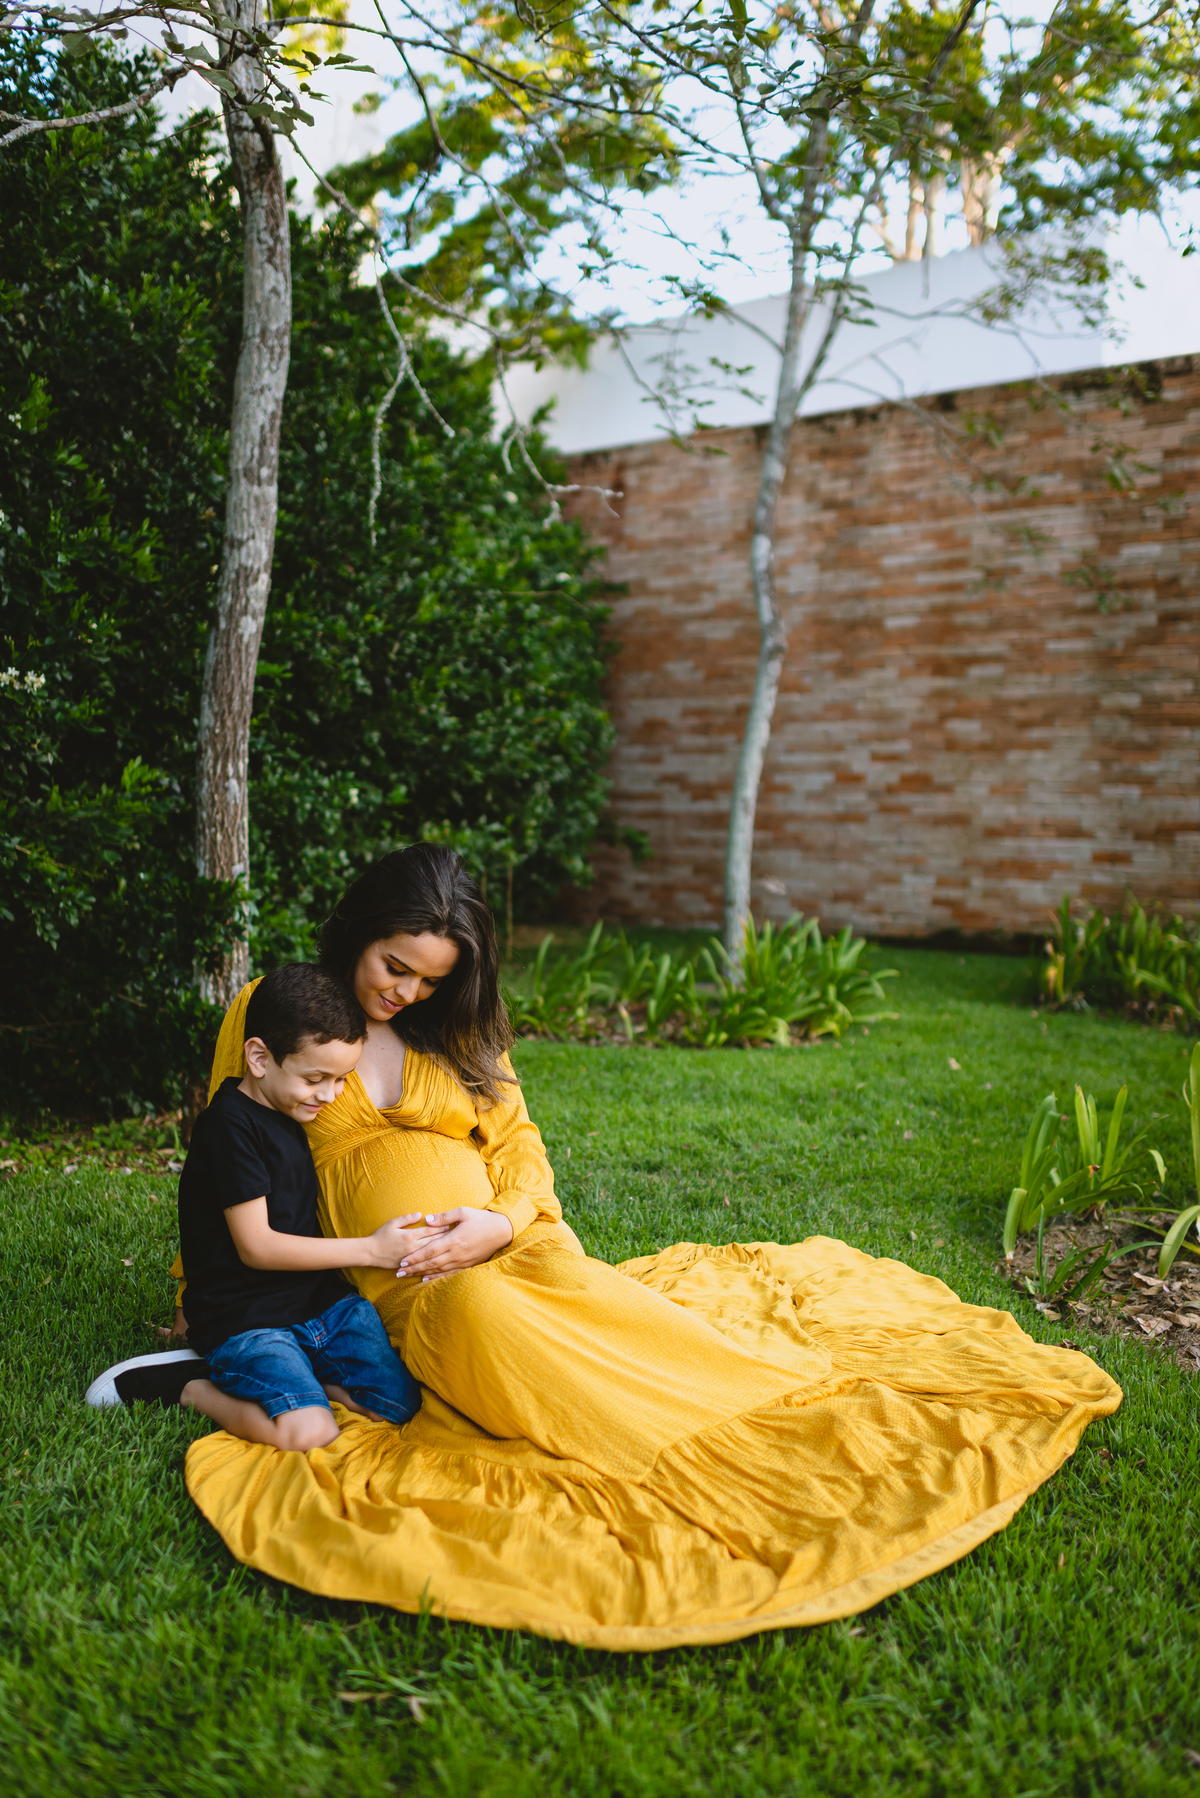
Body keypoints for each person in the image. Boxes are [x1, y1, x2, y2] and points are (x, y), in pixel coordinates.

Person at [95, 845, 1122, 1650]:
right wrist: (203, 1296)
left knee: (609, 1315)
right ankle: (667, 1456)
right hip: (392, 1279)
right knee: (478, 1316)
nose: (403, 992)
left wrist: (497, 1222)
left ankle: (752, 1412)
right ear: (357, 932)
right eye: (392, 965)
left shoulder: (465, 1033)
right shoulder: (280, 1014)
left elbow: (521, 1151)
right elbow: (221, 1163)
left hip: (513, 1244)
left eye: (429, 977)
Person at [92, 964, 422, 1451]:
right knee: (311, 1432)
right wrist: (372, 1250)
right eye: (316, 1078)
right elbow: (258, 1247)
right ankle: (189, 1386)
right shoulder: (229, 1127)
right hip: (245, 1318)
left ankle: (297, 1381)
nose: (330, 1095)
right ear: (259, 1058)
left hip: (318, 1305)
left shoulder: (290, 1106)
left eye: (341, 1079)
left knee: (397, 1407)